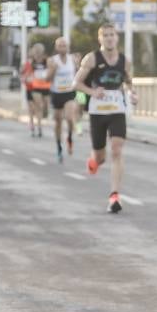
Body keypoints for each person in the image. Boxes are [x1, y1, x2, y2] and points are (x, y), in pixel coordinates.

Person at [74, 23, 138, 213]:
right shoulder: (92, 59)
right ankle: (94, 161)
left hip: (117, 109)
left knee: (117, 150)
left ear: (117, 38)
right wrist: (92, 92)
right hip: (97, 112)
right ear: (100, 39)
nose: (110, 38)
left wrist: (133, 94)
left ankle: (114, 195)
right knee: (100, 157)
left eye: (112, 35)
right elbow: (75, 84)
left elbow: (128, 82)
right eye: (106, 35)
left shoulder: (125, 61)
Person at [47, 36, 81, 162]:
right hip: (57, 93)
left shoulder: (73, 59)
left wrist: (78, 66)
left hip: (69, 92)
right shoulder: (52, 61)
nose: (63, 48)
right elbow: (47, 79)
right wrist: (53, 70)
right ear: (56, 48)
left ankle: (70, 138)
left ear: (68, 47)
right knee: (58, 122)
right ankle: (58, 146)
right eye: (60, 46)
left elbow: (79, 75)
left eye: (64, 45)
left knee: (69, 117)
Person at [22, 42, 49, 137]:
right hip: (30, 88)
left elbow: (50, 72)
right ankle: (32, 125)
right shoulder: (29, 62)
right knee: (32, 109)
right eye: (36, 51)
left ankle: (39, 126)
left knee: (39, 107)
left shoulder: (46, 61)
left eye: (39, 51)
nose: (37, 53)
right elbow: (23, 75)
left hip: (41, 87)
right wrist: (26, 78)